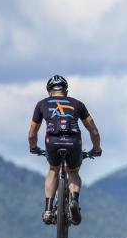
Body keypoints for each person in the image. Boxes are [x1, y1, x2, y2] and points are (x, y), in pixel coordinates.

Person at [28, 75, 102, 225]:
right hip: (74, 141)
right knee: (73, 171)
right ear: (66, 91)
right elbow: (93, 131)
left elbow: (31, 133)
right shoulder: (78, 104)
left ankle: (48, 210)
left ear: (49, 92)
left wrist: (33, 147)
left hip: (52, 142)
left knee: (53, 169)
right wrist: (96, 148)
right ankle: (74, 200)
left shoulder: (42, 104)